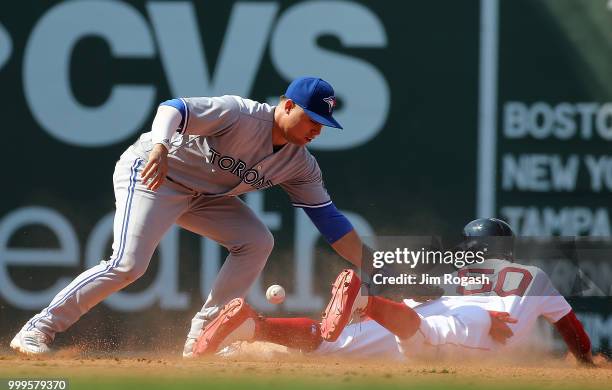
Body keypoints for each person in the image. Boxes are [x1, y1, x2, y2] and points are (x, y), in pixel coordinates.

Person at [10, 77, 368, 358]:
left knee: (257, 240)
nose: (318, 129)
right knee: (128, 264)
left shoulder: (300, 165)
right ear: (288, 105)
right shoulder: (240, 113)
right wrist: (161, 146)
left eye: (324, 123)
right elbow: (174, 108)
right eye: (312, 118)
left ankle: (204, 338)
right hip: (155, 174)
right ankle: (37, 329)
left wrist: (376, 266)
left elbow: (330, 222)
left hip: (204, 197)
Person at [193, 219, 594, 366]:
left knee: (324, 342)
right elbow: (572, 330)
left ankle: (257, 327)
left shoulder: (452, 270)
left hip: (413, 312)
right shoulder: (532, 275)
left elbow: (418, 296)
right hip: (478, 328)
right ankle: (367, 301)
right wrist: (585, 362)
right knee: (423, 333)